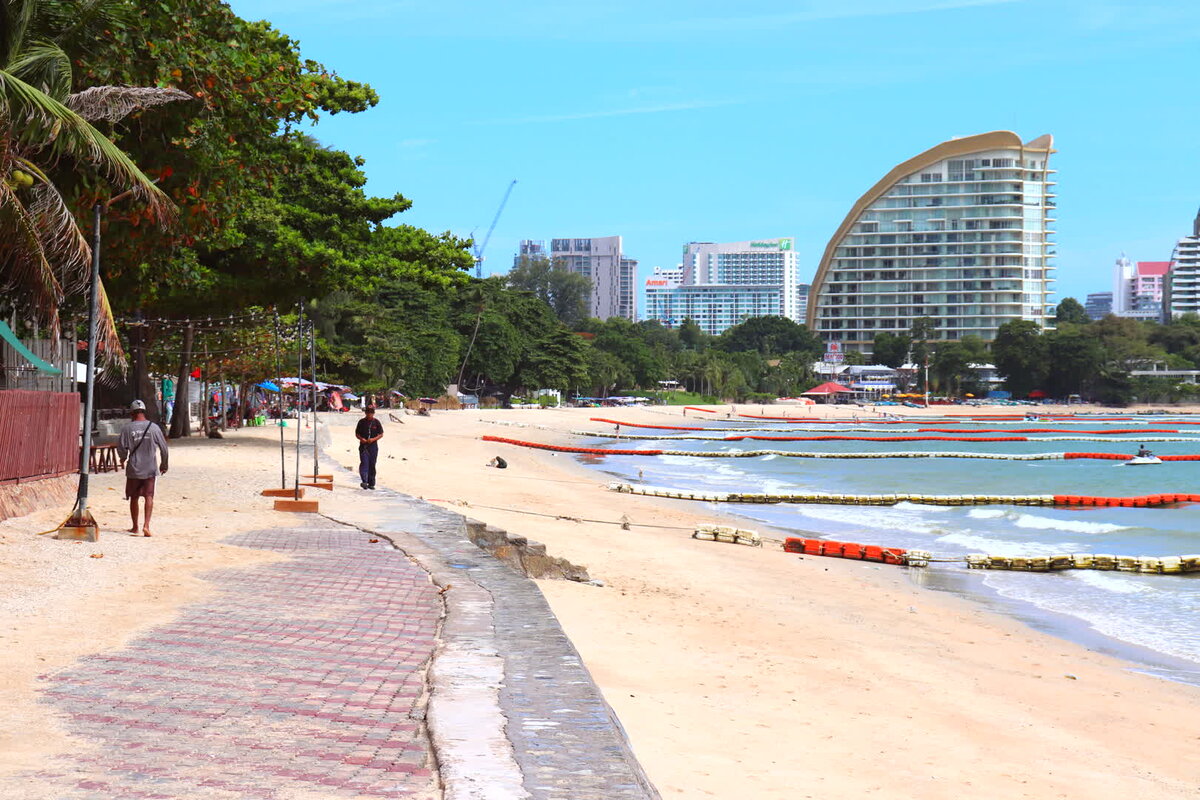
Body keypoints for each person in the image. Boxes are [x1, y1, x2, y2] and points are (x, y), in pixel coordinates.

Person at [117, 400, 169, 536]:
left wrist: (122, 458)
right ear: (144, 412)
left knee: (134, 497)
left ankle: (135, 527)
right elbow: (164, 448)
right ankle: (146, 526)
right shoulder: (154, 428)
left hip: (134, 468)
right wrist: (164, 464)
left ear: (132, 413)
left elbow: (121, 448)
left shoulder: (127, 429)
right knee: (149, 496)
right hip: (150, 468)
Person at [355, 405, 384, 489]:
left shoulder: (376, 422)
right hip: (363, 446)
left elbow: (381, 434)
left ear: (373, 413)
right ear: (365, 412)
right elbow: (357, 434)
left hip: (373, 446)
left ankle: (371, 483)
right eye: (368, 412)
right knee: (364, 463)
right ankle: (364, 481)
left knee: (372, 464)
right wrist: (362, 439)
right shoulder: (361, 422)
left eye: (371, 412)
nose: (369, 414)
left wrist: (373, 439)